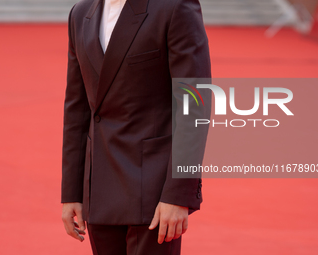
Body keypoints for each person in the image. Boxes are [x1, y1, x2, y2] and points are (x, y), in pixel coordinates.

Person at [61, 0, 211, 254]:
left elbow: (194, 107)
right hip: (100, 189)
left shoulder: (174, 7)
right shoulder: (80, 13)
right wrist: (72, 192)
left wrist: (178, 194)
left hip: (153, 191)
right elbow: (77, 109)